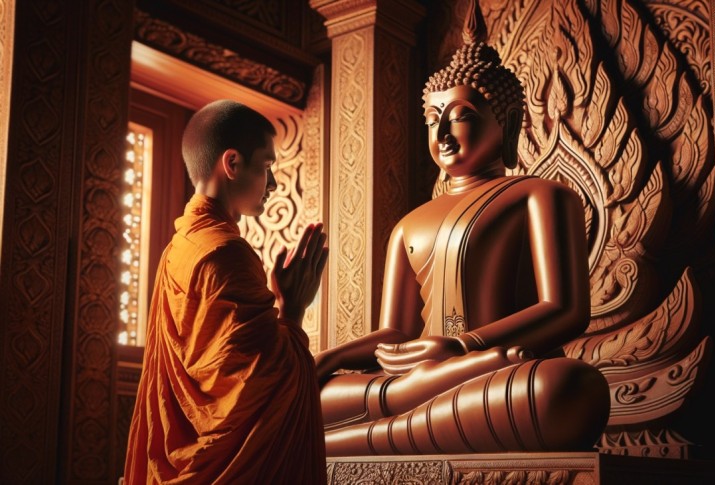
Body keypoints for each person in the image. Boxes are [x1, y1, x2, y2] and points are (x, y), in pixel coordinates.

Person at [313, 1, 610, 456]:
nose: (443, 134)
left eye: (461, 116)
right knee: (315, 394)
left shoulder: (541, 196)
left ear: (508, 122)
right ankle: (394, 418)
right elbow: (395, 334)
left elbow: (565, 309)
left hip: (493, 377)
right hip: (420, 382)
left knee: (568, 389)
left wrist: (461, 346)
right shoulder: (409, 224)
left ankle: (350, 440)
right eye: (433, 120)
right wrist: (329, 359)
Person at [124, 100, 328, 483]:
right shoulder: (226, 253)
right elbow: (258, 387)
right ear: (232, 164)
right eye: (267, 167)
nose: (275, 184)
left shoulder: (178, 248)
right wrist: (293, 308)